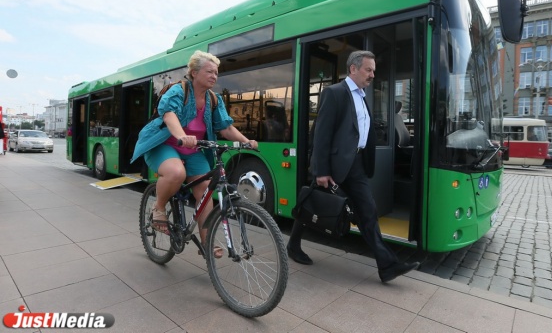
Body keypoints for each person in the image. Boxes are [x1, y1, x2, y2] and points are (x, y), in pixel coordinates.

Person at [287, 50, 420, 283]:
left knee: (367, 211)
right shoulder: (335, 93)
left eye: (374, 71)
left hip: (356, 165)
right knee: (312, 203)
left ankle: (387, 266)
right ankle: (293, 245)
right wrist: (321, 170)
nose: (372, 75)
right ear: (353, 69)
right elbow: (322, 134)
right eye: (368, 70)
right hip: (336, 164)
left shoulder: (362, 95)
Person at [131, 50, 258, 257]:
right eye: (209, 71)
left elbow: (225, 128)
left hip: (192, 150)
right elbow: (169, 115)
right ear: (194, 72)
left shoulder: (214, 99)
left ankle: (207, 242)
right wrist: (183, 136)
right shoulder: (179, 91)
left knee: (205, 190)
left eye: (216, 73)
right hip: (164, 144)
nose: (214, 76)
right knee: (176, 173)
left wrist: (246, 141)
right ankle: (159, 207)